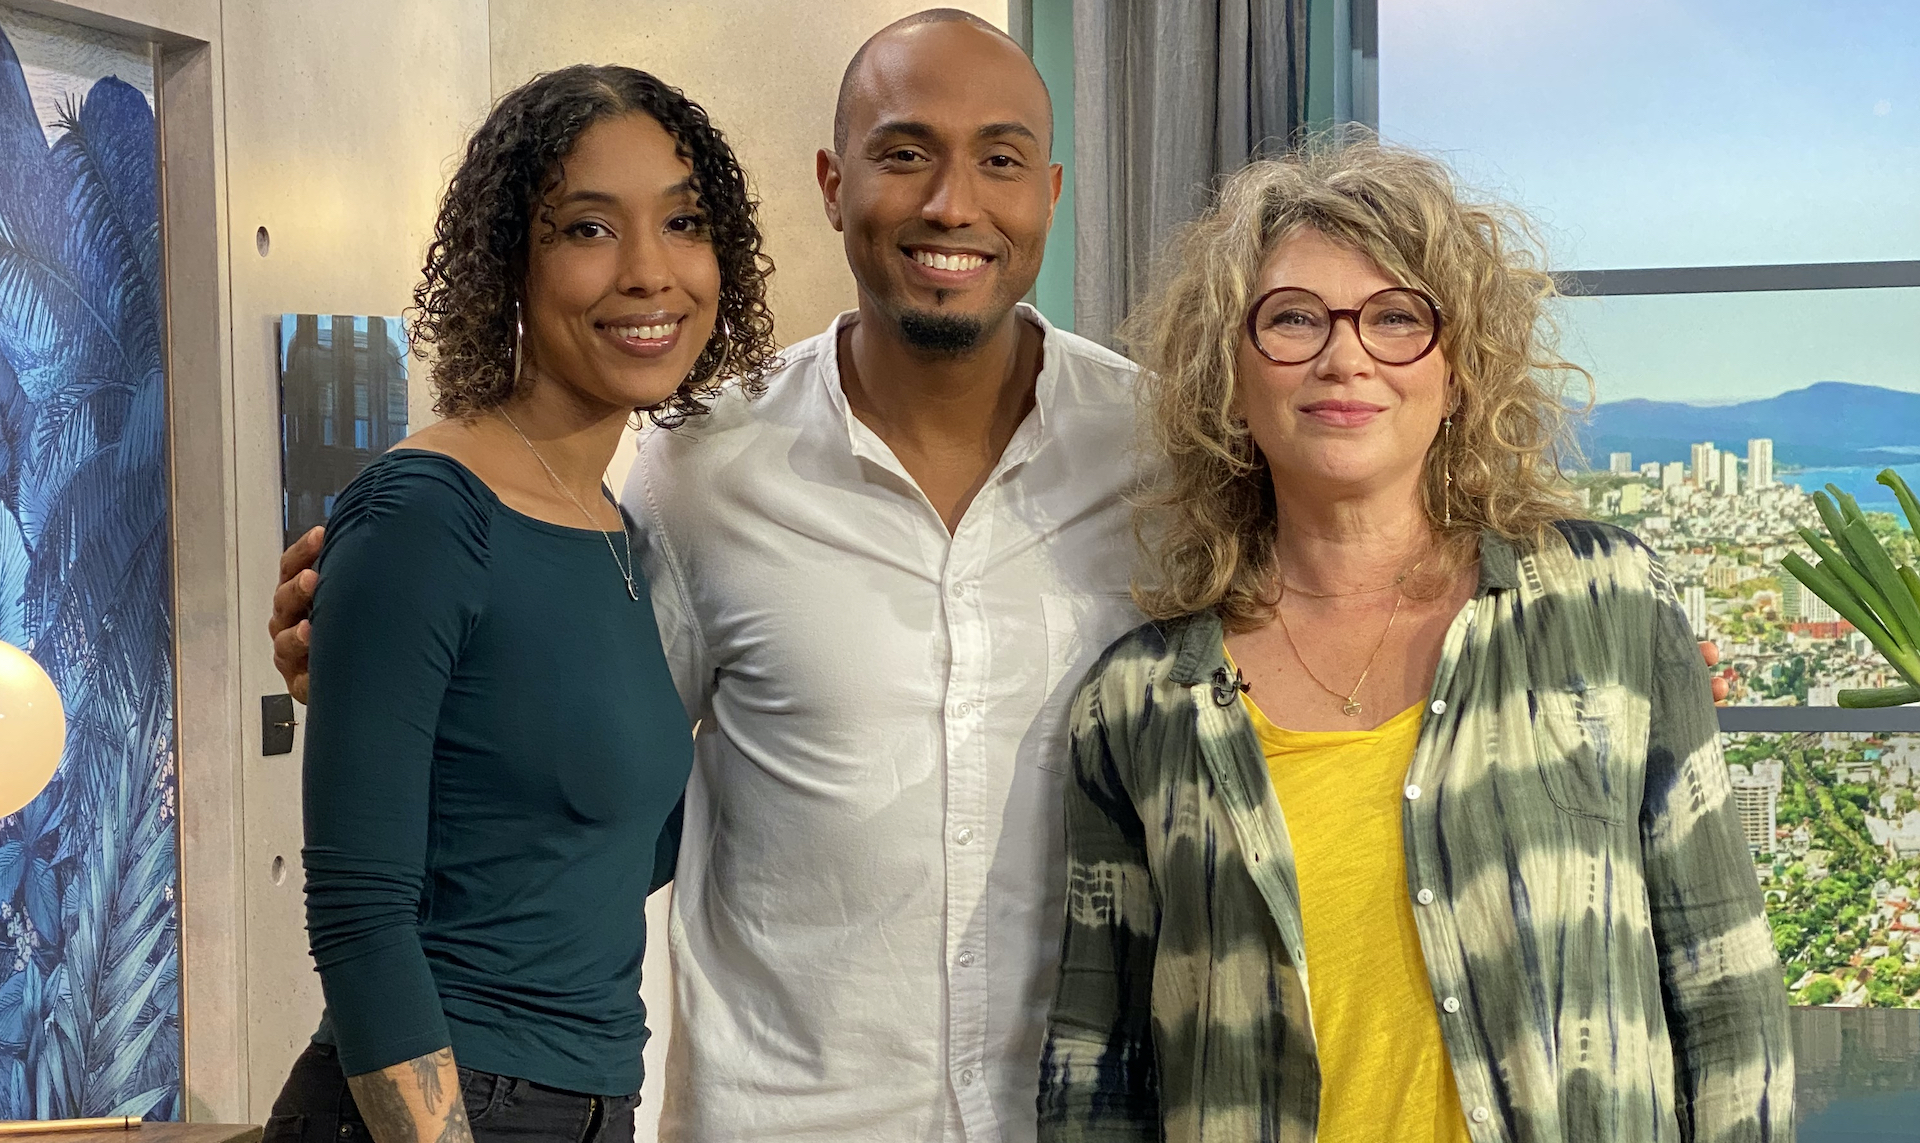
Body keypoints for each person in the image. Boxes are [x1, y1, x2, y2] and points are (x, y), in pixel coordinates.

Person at [266, 13, 1732, 1142]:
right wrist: (396, 668)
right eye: (905, 152)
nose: (952, 201)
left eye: (1001, 159)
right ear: (835, 183)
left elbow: (1368, 574)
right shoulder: (692, 469)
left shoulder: (1166, 455)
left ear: (1050, 192)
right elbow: (594, 766)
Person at [1037, 140, 1793, 1143]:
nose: (1345, 356)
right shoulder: (1138, 705)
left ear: (1459, 371)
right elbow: (1098, 1075)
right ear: (1230, 378)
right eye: (1293, 318)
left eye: (1396, 317)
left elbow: (1727, 990)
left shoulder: (1606, 606)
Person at [264, 65, 775, 1143]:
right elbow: (360, 919)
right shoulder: (425, 510)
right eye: (589, 229)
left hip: (590, 1103)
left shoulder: (618, 531)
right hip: (437, 1104)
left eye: (683, 222)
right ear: (509, 263)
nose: (649, 271)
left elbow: (593, 851)